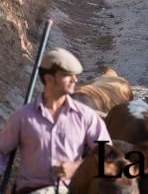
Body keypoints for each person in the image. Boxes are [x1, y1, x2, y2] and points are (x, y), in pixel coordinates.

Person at [0, 48, 110, 193]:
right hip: (30, 190)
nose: (75, 80)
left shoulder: (86, 117)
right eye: (67, 75)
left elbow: (107, 154)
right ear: (49, 79)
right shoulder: (23, 117)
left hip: (70, 190)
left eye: (75, 76)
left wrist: (77, 168)